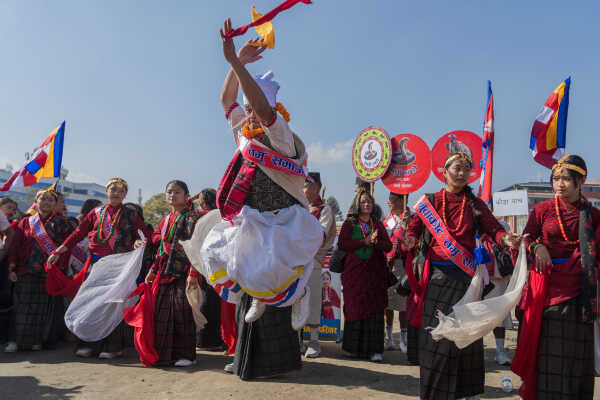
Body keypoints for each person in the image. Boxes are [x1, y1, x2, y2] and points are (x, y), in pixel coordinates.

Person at [212, 19, 322, 379]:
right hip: (254, 216)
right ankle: (260, 297)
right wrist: (235, 61)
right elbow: (227, 100)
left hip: (286, 217)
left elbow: (261, 109)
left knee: (281, 262)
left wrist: (238, 63)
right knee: (219, 254)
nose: (250, 117)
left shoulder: (281, 134)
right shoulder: (244, 133)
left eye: (255, 109)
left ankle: (298, 294)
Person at [404, 152, 518, 400]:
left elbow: (494, 228)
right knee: (438, 334)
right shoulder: (431, 201)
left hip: (467, 279)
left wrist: (505, 239)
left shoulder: (475, 204)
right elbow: (415, 226)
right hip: (438, 276)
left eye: (467, 169)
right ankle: (435, 393)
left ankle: (467, 392)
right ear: (444, 172)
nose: (462, 173)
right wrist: (410, 237)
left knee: (467, 335)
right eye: (457, 168)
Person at [513, 154, 598, 399]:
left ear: (580, 182)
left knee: (575, 358)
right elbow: (526, 238)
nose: (559, 184)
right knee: (548, 357)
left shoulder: (592, 215)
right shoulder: (542, 210)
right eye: (556, 179)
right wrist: (536, 247)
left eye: (566, 179)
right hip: (548, 295)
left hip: (581, 293)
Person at [47, 178, 151, 359]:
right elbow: (78, 233)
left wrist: (138, 241)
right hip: (96, 264)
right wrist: (59, 250)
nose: (116, 192)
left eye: (120, 190)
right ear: (106, 191)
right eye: (113, 189)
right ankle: (87, 344)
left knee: (113, 305)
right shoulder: (96, 213)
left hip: (119, 266)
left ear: (125, 194)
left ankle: (113, 347)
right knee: (91, 303)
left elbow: (142, 234)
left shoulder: (131, 214)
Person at [141, 180, 202, 367]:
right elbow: (156, 241)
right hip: (164, 271)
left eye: (177, 192)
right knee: (162, 312)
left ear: (186, 195)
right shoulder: (166, 219)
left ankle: (185, 354)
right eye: (169, 192)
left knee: (182, 311)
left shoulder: (192, 217)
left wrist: (193, 273)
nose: (172, 195)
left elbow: (196, 247)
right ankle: (165, 353)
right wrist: (152, 269)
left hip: (184, 271)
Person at [5, 189, 73, 352]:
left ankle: (36, 341)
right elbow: (16, 246)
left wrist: (60, 267)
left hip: (49, 272)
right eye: (43, 199)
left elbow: (68, 248)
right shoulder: (26, 222)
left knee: (42, 309)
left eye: (51, 200)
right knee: (21, 307)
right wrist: (12, 267)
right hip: (25, 271)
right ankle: (16, 341)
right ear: (36, 201)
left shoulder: (63, 224)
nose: (47, 202)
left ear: (55, 204)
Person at [338, 190, 392, 362]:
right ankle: (353, 349)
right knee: (355, 308)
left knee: (375, 309)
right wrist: (363, 242)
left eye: (369, 202)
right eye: (363, 202)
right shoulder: (349, 224)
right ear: (356, 205)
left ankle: (375, 350)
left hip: (374, 275)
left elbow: (388, 246)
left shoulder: (378, 224)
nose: (366, 205)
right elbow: (342, 244)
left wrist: (376, 243)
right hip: (354, 275)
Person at [302, 172, 336, 358]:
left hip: (313, 260)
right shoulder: (298, 208)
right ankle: (298, 338)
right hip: (294, 261)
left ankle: (314, 340)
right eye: (305, 186)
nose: (307, 189)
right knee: (295, 299)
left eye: (311, 186)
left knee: (314, 299)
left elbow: (320, 235)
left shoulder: (324, 209)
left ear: (317, 188)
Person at [193, 188, 225, 351]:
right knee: (215, 303)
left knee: (207, 302)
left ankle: (205, 341)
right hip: (221, 265)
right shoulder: (223, 215)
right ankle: (214, 340)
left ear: (204, 202)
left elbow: (185, 208)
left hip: (205, 264)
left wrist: (190, 198)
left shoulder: (201, 216)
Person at [383, 192, 410, 352]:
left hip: (403, 264)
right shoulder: (387, 220)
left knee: (403, 304)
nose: (389, 203)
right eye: (389, 201)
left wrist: (406, 225)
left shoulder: (409, 219)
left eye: (392, 201)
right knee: (387, 303)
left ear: (401, 201)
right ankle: (389, 338)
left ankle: (404, 339)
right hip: (387, 264)